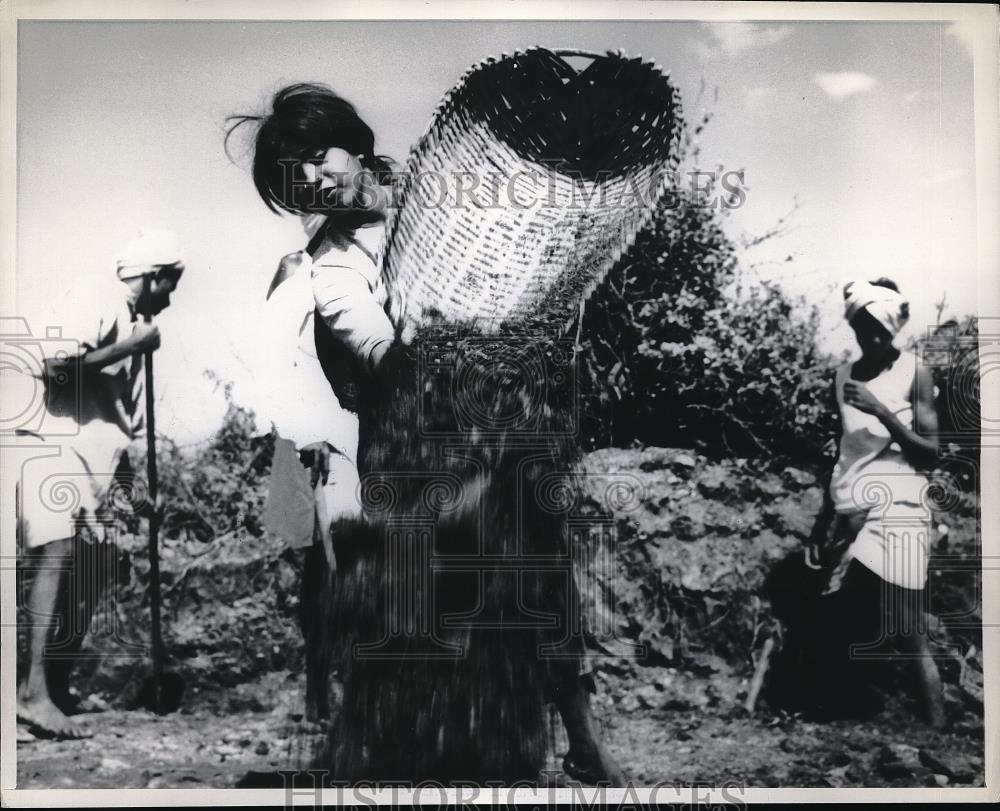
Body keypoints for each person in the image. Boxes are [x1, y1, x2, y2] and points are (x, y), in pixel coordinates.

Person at [227, 83, 398, 724]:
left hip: (402, 418)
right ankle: (332, 693)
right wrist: (315, 437)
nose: (310, 178)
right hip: (335, 426)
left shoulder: (422, 199)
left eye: (316, 155)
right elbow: (290, 356)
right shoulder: (316, 266)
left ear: (353, 143)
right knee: (337, 560)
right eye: (291, 173)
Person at [16, 229, 184, 739]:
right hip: (46, 443)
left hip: (79, 457)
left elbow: (111, 414)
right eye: (171, 285)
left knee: (82, 565)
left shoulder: (129, 317)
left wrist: (130, 485)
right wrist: (128, 346)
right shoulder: (98, 297)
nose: (172, 299)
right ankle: (32, 695)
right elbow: (54, 372)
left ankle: (49, 689)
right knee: (55, 554)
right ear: (153, 275)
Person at [805, 277, 945, 727]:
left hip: (898, 506)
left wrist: (880, 409)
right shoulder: (843, 376)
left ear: (894, 326)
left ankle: (940, 734)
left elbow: (929, 452)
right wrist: (820, 522)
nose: (872, 338)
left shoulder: (914, 373)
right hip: (850, 505)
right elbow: (841, 449)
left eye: (880, 329)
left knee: (908, 629)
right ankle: (840, 717)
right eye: (864, 328)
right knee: (842, 617)